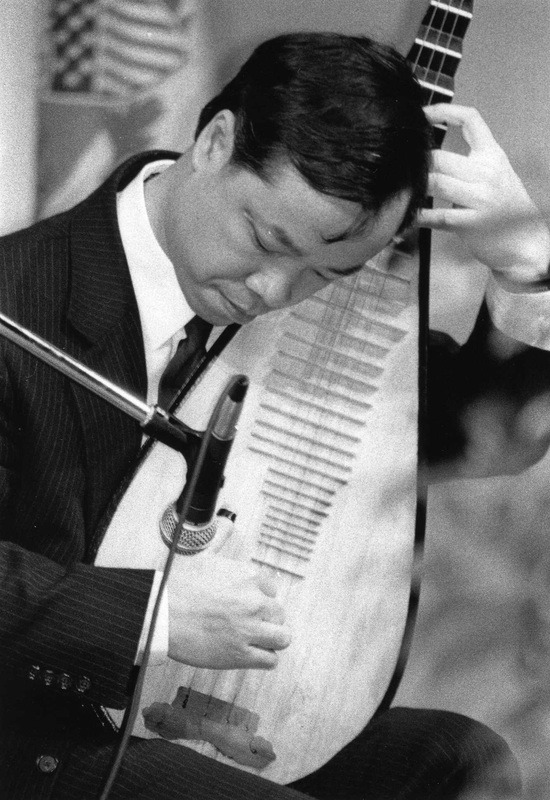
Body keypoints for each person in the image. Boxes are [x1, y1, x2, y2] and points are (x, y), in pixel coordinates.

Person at [0, 31, 549, 800]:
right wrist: (153, 616)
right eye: (264, 238)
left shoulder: (294, 308)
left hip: (197, 709)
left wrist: (524, 258)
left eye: (327, 272)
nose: (274, 290)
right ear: (215, 143)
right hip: (35, 725)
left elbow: (485, 437)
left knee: (457, 760)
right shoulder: (19, 299)